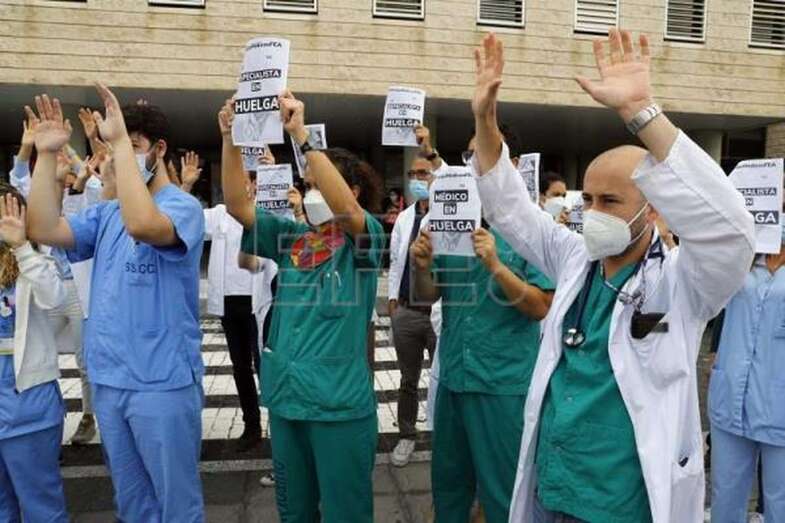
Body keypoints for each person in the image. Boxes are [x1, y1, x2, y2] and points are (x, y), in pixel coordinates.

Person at [469, 30, 755, 522]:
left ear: (654, 211)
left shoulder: (685, 283)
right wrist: (484, 118)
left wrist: (642, 112)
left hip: (622, 502)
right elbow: (508, 206)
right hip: (553, 489)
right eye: (587, 200)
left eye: (610, 202)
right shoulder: (574, 257)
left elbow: (731, 232)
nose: (592, 212)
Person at [26, 87, 206, 522]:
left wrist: (121, 142)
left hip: (161, 382)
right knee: (132, 504)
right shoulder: (105, 215)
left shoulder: (183, 207)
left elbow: (143, 224)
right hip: (111, 381)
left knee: (175, 506)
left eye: (131, 148)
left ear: (158, 150)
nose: (113, 160)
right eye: (109, 151)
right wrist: (48, 156)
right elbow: (42, 226)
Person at [221, 90, 385, 522]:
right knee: (293, 512)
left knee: (344, 513)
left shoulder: (363, 242)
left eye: (315, 186)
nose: (308, 193)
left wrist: (301, 135)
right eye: (307, 185)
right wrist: (230, 140)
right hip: (289, 401)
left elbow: (347, 210)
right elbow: (239, 206)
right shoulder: (294, 238)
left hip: (338, 408)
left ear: (348, 189)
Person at [410, 162, 555, 521]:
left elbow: (541, 306)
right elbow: (429, 295)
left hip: (502, 385)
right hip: (455, 381)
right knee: (449, 484)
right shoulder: (447, 229)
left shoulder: (528, 231)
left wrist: (496, 266)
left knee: (504, 489)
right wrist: (423, 266)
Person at [10, 112, 98, 445]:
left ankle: (88, 416)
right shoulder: (34, 195)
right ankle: (39, 416)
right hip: (39, 283)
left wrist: (73, 156)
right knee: (30, 346)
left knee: (83, 357)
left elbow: (94, 176)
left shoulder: (79, 201)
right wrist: (27, 146)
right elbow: (18, 176)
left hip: (74, 288)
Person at [708, 200, 785, 523]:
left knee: (780, 502)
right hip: (731, 399)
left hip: (779, 403)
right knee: (725, 496)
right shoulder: (741, 260)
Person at [0, 186, 69, 523]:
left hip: (28, 403)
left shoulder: (38, 260)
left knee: (41, 505)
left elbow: (54, 298)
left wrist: (21, 247)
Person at [388, 151, 439, 467]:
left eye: (424, 173)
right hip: (406, 312)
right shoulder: (405, 218)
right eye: (413, 174)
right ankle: (406, 435)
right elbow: (395, 262)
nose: (418, 179)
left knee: (441, 378)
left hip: (436, 314)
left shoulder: (450, 215)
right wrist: (393, 302)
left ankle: (440, 436)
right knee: (408, 380)